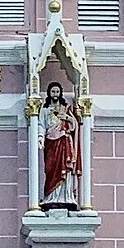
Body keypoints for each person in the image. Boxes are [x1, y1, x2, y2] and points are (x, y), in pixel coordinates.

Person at [41, 79, 80, 209]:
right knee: (51, 169)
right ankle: (51, 197)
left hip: (64, 141)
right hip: (51, 143)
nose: (55, 94)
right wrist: (40, 137)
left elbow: (74, 126)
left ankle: (66, 196)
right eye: (53, 91)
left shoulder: (66, 108)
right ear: (49, 93)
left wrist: (67, 118)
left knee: (66, 169)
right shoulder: (45, 109)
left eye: (57, 91)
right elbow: (41, 124)